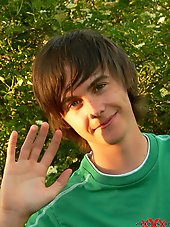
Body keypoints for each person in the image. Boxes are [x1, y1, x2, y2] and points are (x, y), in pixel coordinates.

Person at [0, 29, 169, 227]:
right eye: (74, 103)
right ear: (63, 119)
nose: (95, 109)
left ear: (124, 78)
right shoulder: (60, 215)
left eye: (99, 86)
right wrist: (9, 215)